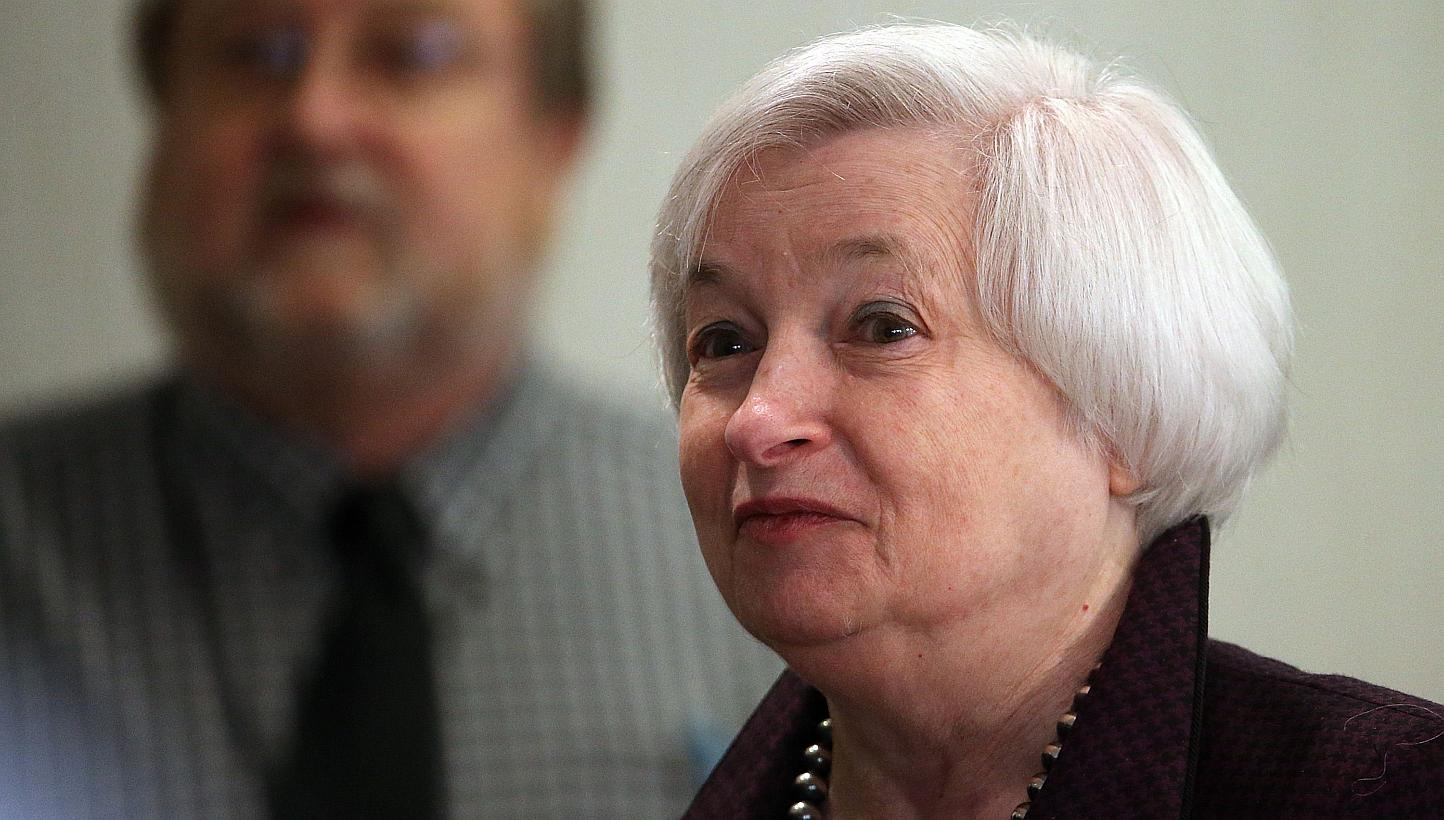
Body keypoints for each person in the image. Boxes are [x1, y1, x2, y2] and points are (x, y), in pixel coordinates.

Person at [647, 23, 1444, 819]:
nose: (758, 419)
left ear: (1123, 410)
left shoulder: (1383, 792)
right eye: (724, 342)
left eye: (884, 327)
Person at [0, 0, 776, 817]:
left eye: (413, 55)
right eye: (256, 51)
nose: (315, 119)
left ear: (555, 136)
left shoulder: (754, 552)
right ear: (165, 113)